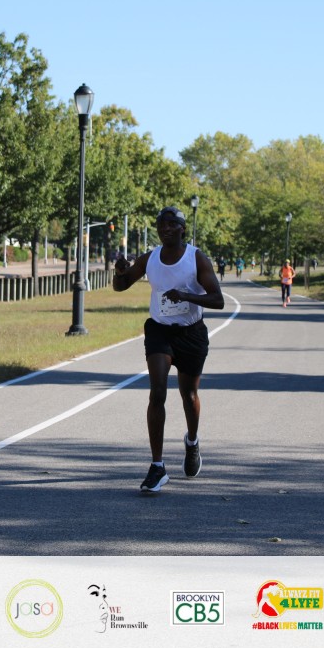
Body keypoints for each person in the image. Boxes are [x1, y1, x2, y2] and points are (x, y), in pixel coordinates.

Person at [113, 206, 225, 493]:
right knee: (158, 392)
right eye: (162, 224)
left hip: (191, 333)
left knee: (189, 395)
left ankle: (192, 442)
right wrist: (119, 271)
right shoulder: (150, 258)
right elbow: (121, 286)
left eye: (172, 224)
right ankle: (157, 466)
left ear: (182, 228)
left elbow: (218, 299)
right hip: (160, 331)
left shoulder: (196, 258)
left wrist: (185, 295)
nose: (166, 228)